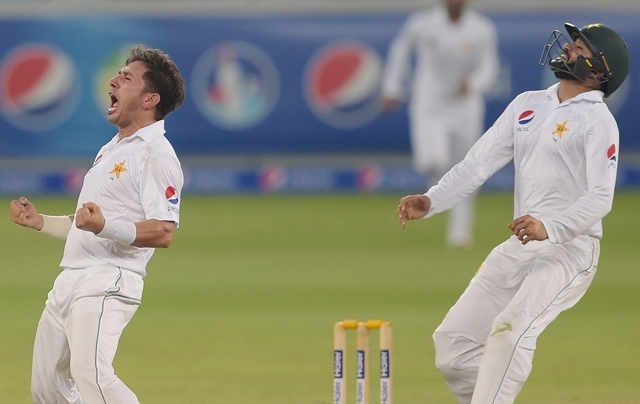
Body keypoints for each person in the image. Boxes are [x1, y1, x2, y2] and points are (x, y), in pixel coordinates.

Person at [396, 22, 629, 403]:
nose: (569, 49)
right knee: (453, 348)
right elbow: (476, 165)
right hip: (520, 245)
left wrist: (550, 226)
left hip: (570, 251)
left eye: (581, 47)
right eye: (573, 43)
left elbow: (601, 197)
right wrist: (432, 199)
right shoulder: (528, 104)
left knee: (511, 330)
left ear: (601, 72)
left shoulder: (599, 121)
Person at [9, 45, 186, 403]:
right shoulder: (113, 148)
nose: (113, 80)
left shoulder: (156, 154)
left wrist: (104, 226)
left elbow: (164, 231)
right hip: (70, 278)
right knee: (48, 389)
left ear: (150, 98)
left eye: (126, 77)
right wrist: (40, 222)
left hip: (110, 278)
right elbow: (88, 221)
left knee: (92, 377)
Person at [380, 0, 499, 249]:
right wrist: (392, 87)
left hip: (465, 107)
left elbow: (489, 68)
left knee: (467, 169)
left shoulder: (481, 29)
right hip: (430, 104)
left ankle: (460, 233)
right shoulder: (423, 23)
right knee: (433, 160)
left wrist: (474, 84)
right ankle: (434, 191)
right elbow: (400, 50)